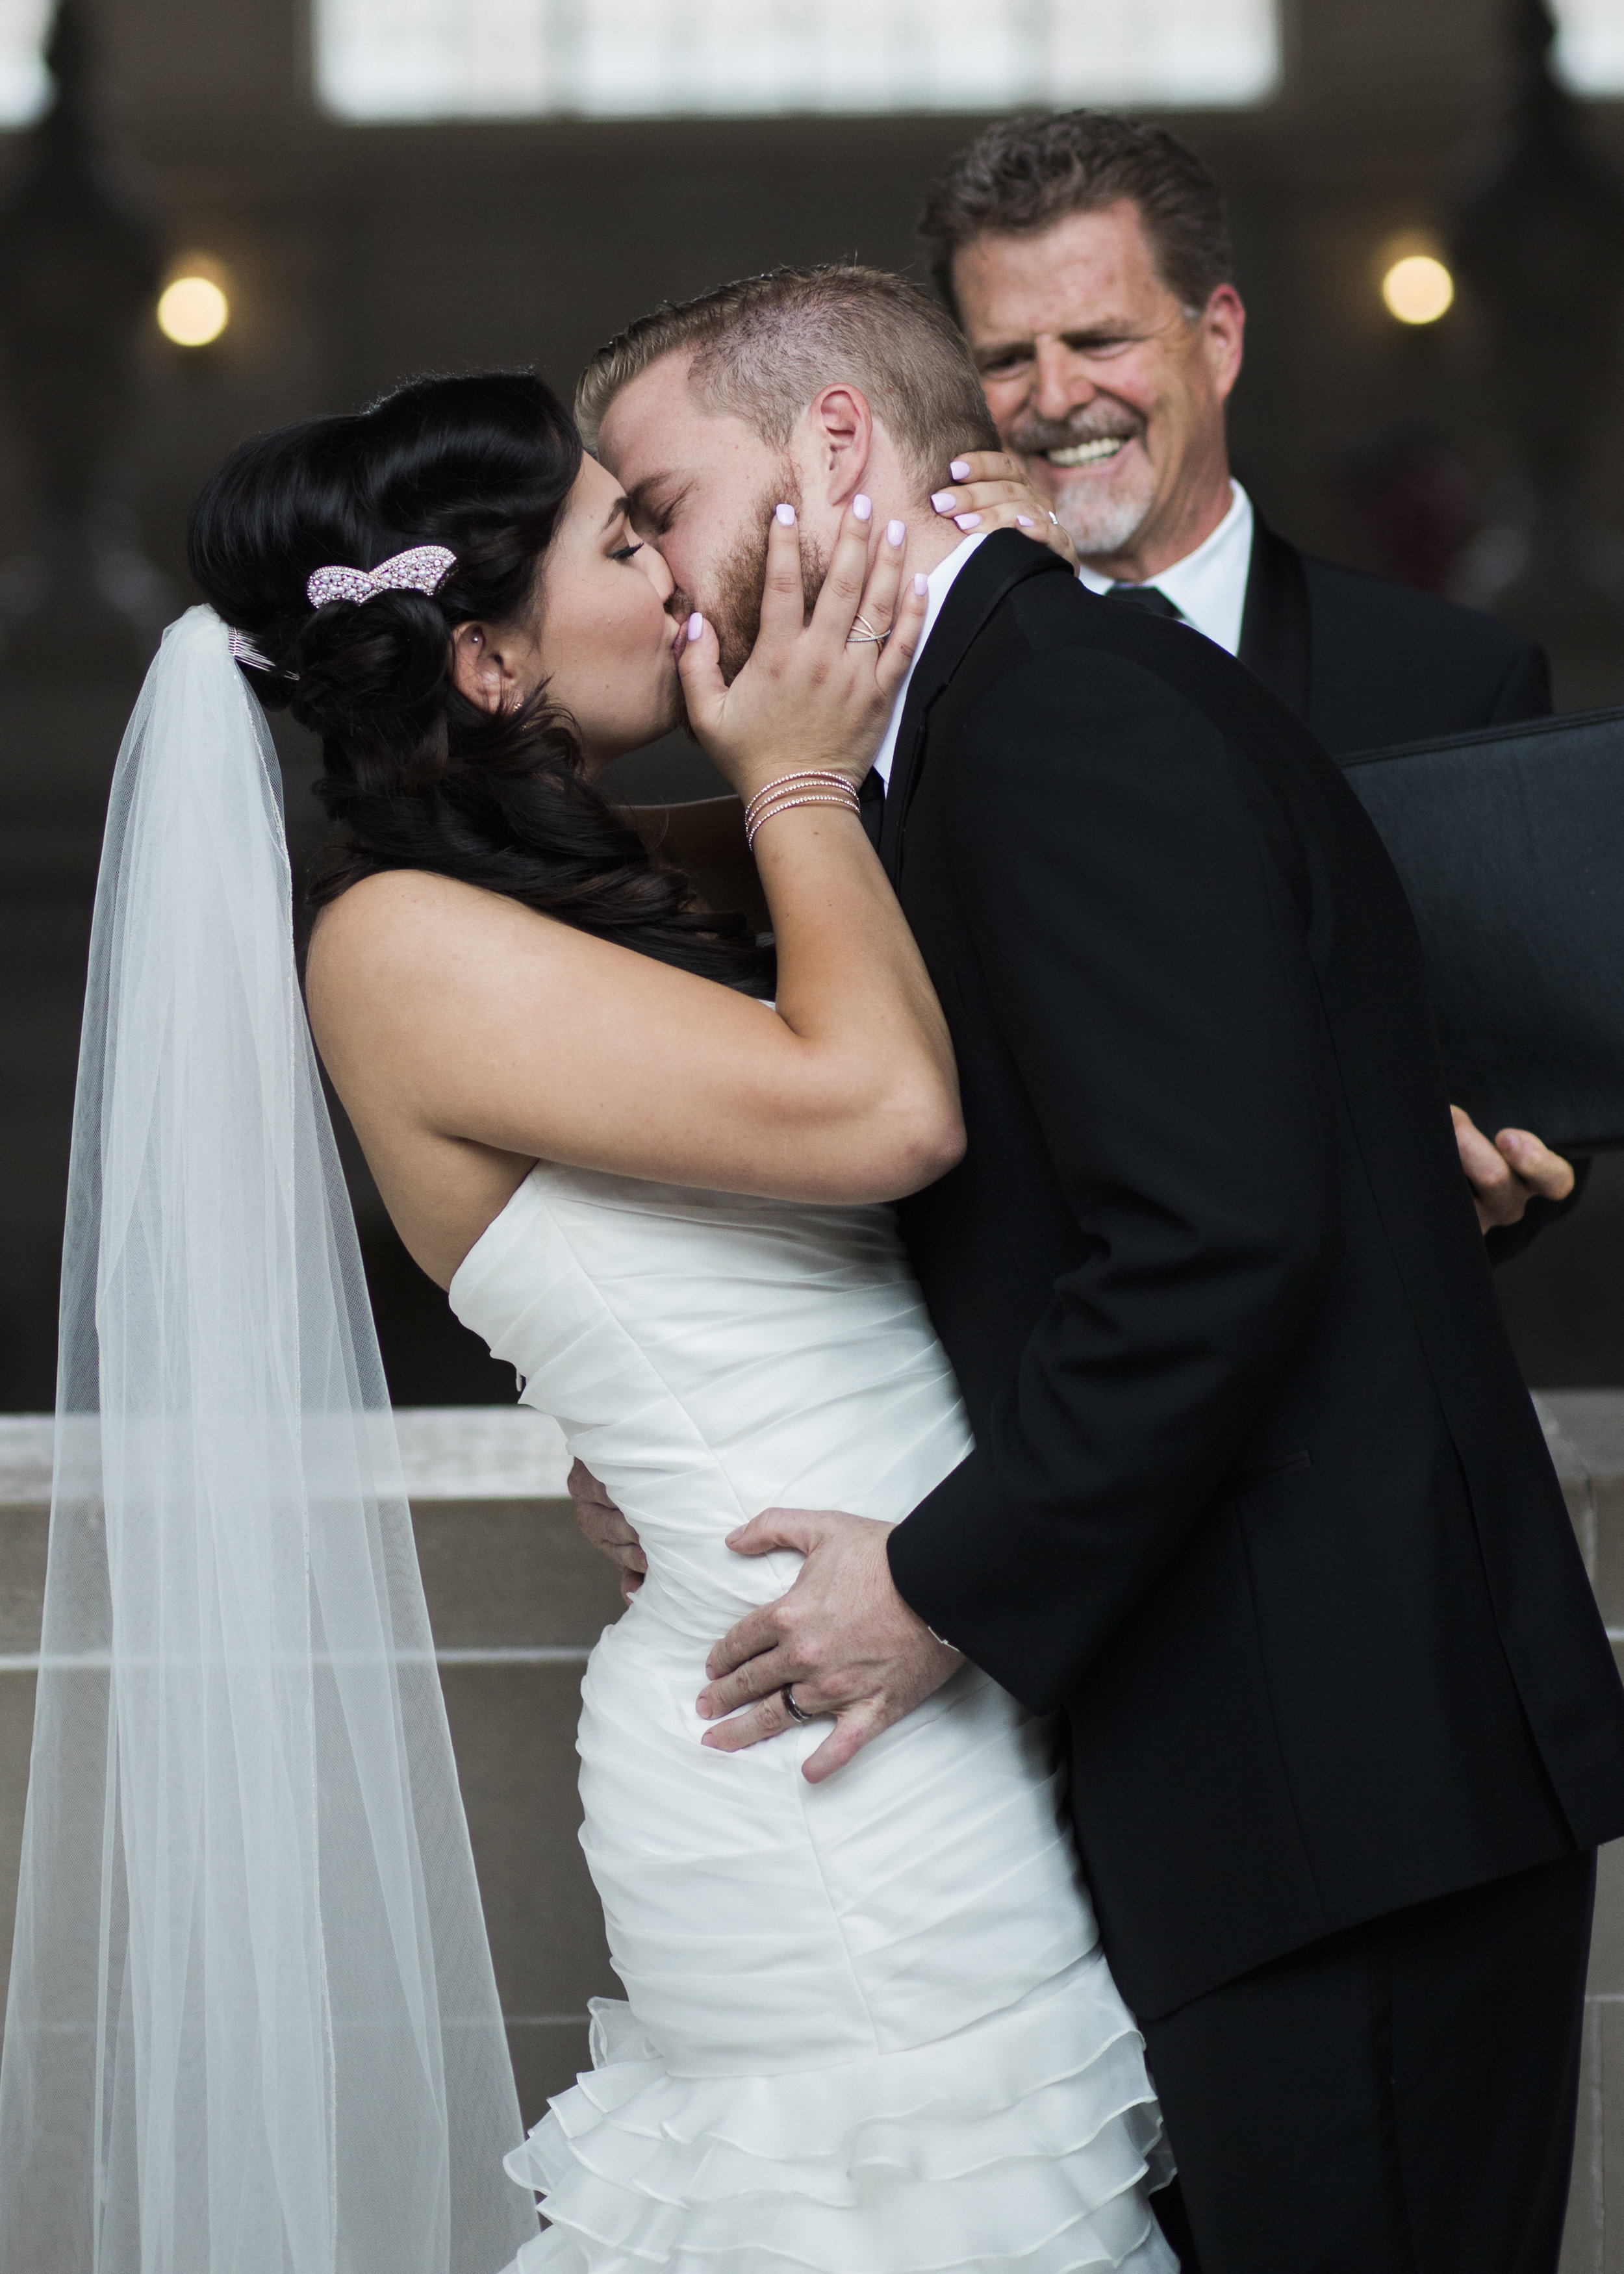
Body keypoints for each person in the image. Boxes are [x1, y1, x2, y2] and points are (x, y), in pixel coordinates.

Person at [577, 262, 1624, 2274]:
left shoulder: (1053, 718)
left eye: (657, 501)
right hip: (1284, 1766)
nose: (654, 573)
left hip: (1337, 1779)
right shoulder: (987, 717)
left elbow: (1213, 1238)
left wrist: (942, 1587)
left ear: (836, 441)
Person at [183, 369, 1176, 2271]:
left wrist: (992, 595)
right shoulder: (393, 945)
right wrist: (792, 769)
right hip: (807, 1755)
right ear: (487, 662)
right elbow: (887, 1106)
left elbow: (944, 925)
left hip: (932, 1674)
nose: (678, 568)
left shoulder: (606, 879)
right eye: (622, 537)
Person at [916, 107, 1580, 1259]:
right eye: (1007, 359)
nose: (1058, 397)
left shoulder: (1453, 680)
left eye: (1100, 339)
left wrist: (1500, 1188)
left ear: (1217, 341)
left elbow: (1522, 1092)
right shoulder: (911, 694)